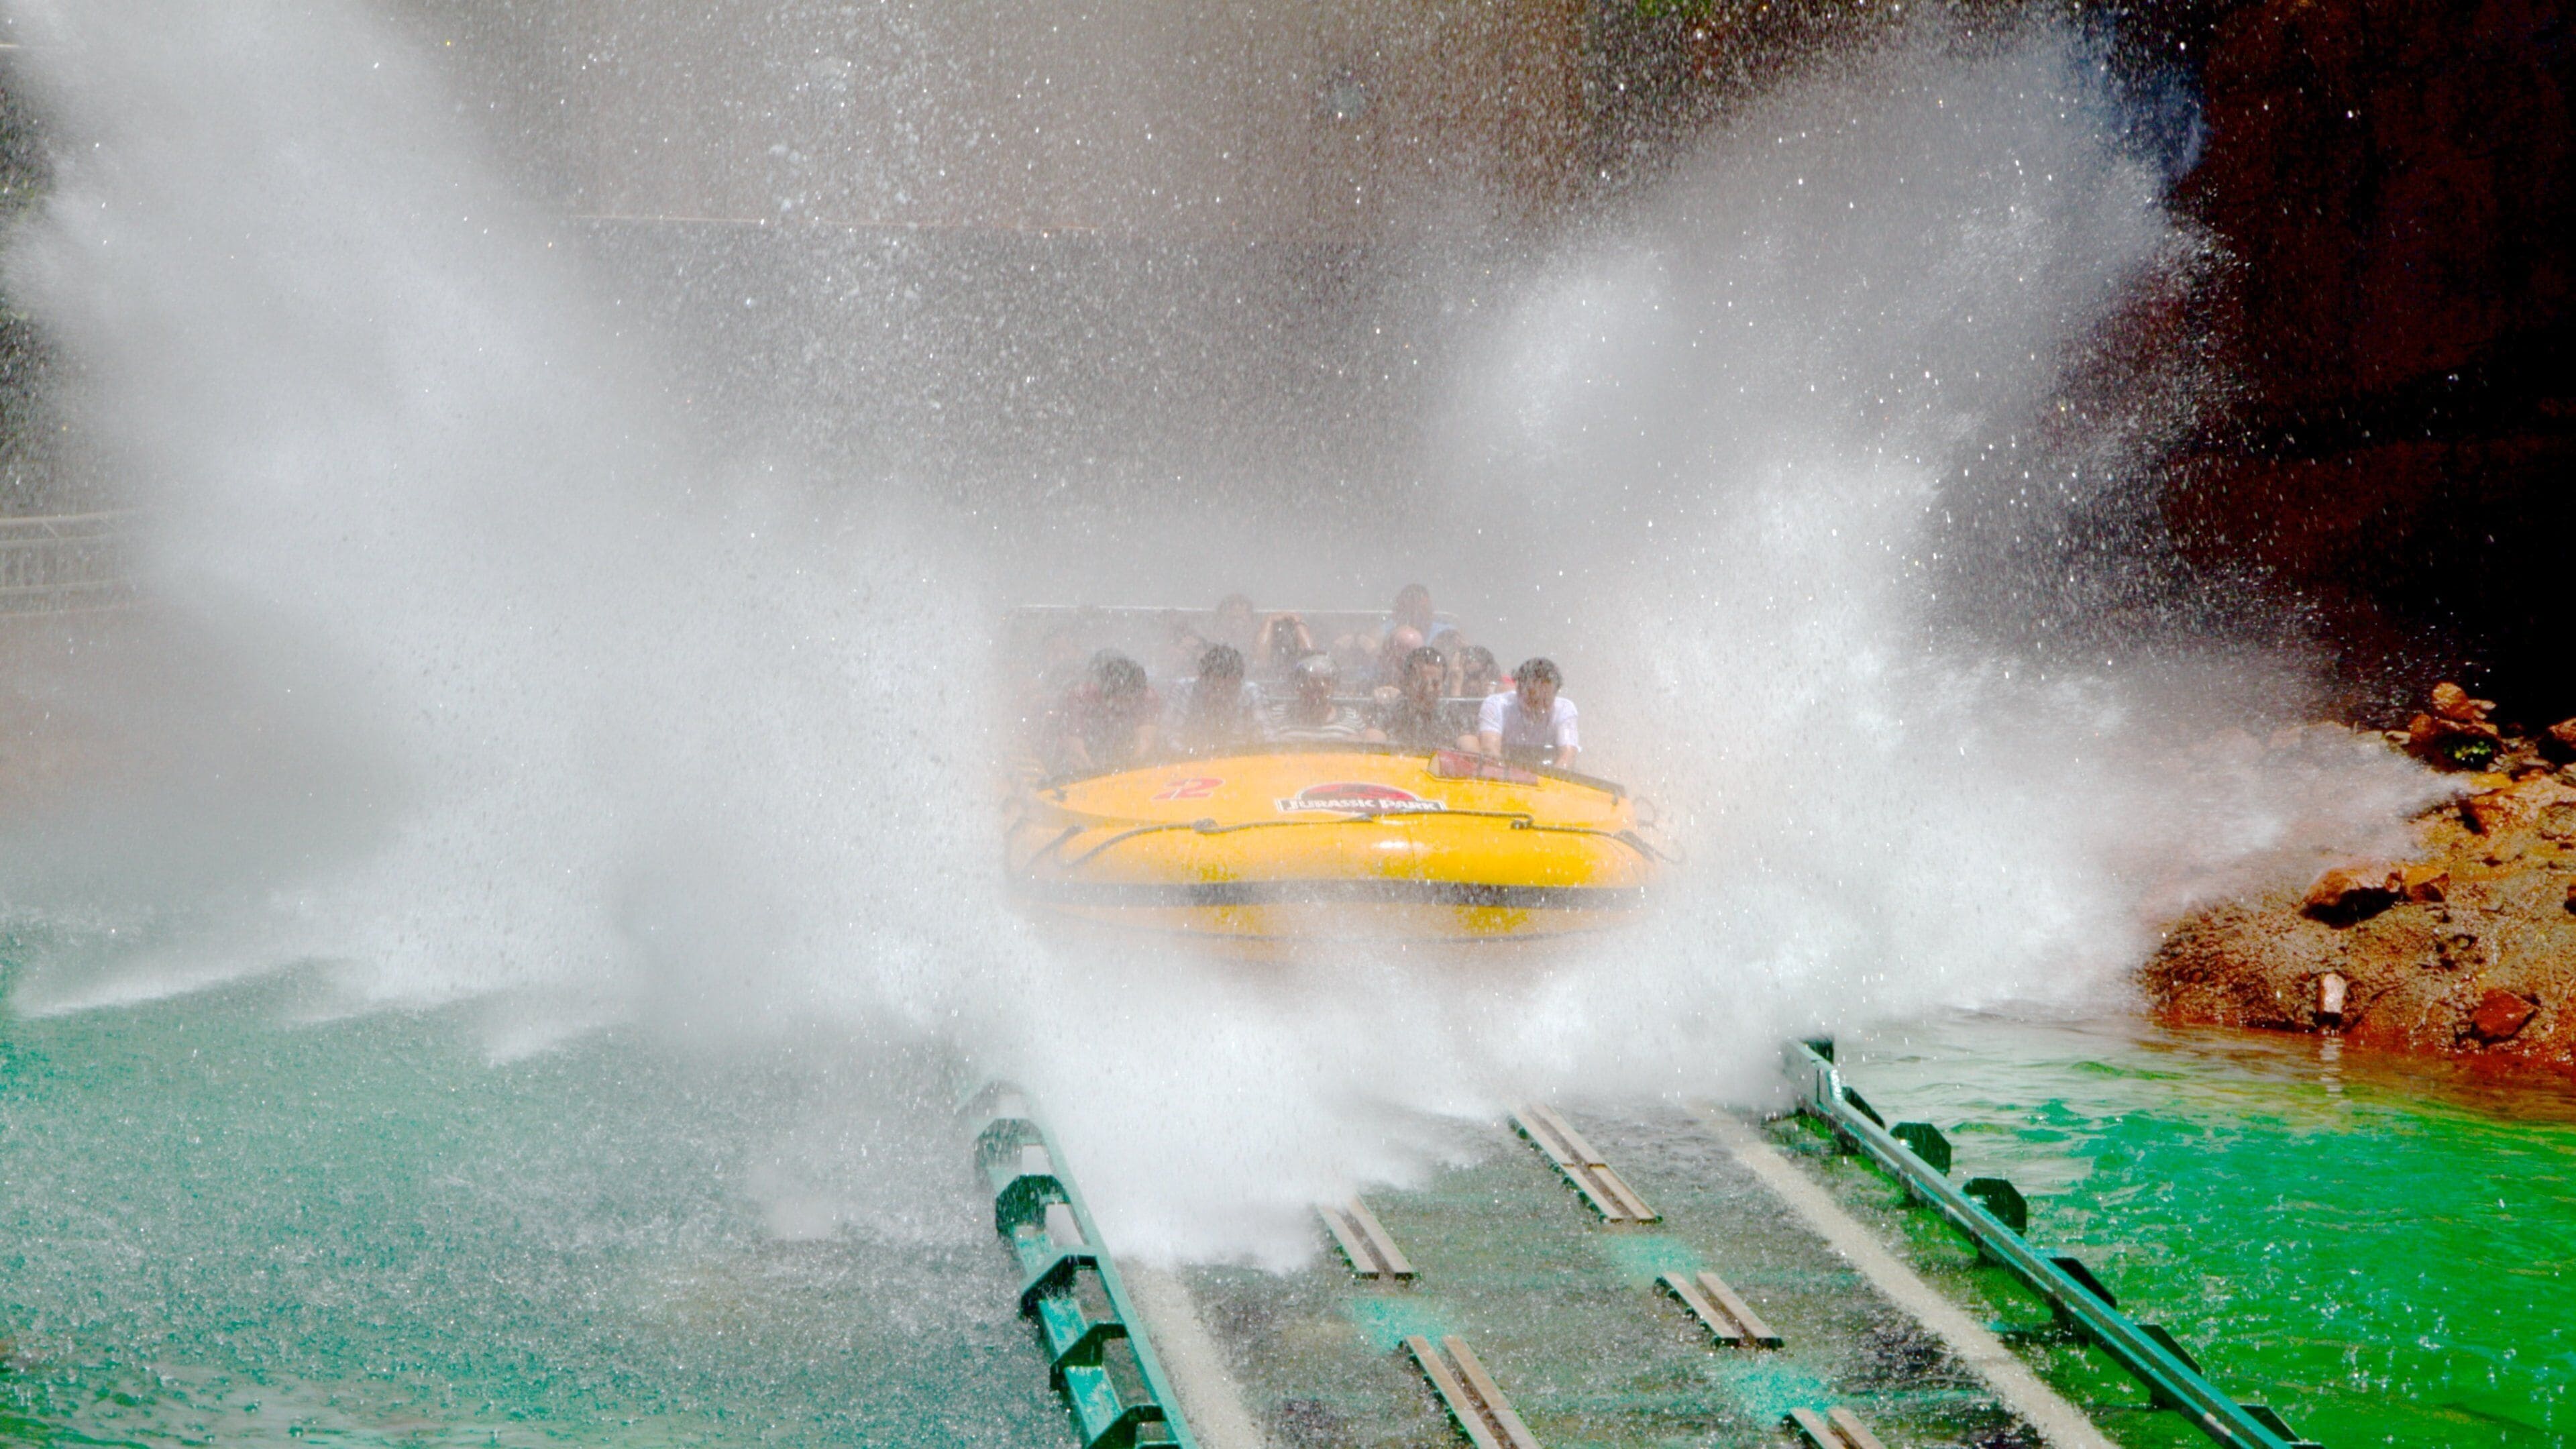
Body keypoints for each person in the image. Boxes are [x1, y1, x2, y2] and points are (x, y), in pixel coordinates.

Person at [1051, 651, 1161, 773]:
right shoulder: (1081, 697)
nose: (1127, 704)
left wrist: (1135, 767)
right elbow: (1075, 746)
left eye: (1131, 698)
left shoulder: (1147, 696)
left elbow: (1146, 738)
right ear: (1104, 691)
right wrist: (1092, 773)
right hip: (1086, 756)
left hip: (1127, 753)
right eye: (1121, 698)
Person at [1476, 657, 1578, 769]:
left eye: (1545, 701)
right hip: (1506, 775)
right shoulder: (1496, 705)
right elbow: (1490, 751)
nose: (1538, 708)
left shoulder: (1565, 709)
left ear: (1555, 695)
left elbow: (1568, 757)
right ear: (1518, 689)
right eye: (1532, 700)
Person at [1166, 644, 1268, 755]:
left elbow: (1267, 741)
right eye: (1214, 688)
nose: (1221, 696)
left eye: (1228, 690)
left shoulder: (1250, 693)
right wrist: (1192, 754)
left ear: (1239, 683)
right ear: (1201, 679)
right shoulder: (1185, 690)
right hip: (1191, 766)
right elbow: (1168, 737)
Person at [1366, 645, 1454, 749]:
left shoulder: (1451, 716)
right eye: (1421, 684)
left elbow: (1472, 755)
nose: (1429, 690)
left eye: (1435, 684)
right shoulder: (1389, 711)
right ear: (1406, 683)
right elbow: (1372, 747)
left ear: (1443, 685)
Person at [1269, 652, 1367, 742]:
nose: (1320, 685)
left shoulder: (1352, 717)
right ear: (1298, 686)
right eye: (1311, 680)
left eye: (1326, 680)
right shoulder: (1276, 716)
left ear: (1334, 687)